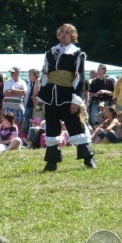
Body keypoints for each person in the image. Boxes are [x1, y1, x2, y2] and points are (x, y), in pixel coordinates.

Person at [37, 23, 97, 171]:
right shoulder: (49, 54)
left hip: (67, 97)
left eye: (67, 33)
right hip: (51, 98)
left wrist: (76, 100)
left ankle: (89, 159)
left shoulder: (77, 54)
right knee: (51, 129)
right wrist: (42, 98)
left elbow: (80, 78)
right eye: (62, 32)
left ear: (72, 36)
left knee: (77, 127)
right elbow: (45, 76)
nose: (64, 35)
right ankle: (52, 163)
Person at [2, 67, 27, 135]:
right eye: (11, 72)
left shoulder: (23, 82)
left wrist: (12, 90)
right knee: (8, 123)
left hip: (18, 107)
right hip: (8, 106)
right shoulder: (7, 81)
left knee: (19, 124)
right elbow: (6, 94)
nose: (11, 73)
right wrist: (18, 91)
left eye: (13, 72)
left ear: (18, 72)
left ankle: (17, 139)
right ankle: (8, 138)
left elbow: (24, 93)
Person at [22, 69, 40, 137]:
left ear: (36, 75)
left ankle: (34, 137)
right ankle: (24, 138)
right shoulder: (28, 83)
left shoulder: (40, 82)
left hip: (38, 106)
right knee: (26, 122)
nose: (29, 76)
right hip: (28, 106)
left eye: (31, 74)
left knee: (36, 122)